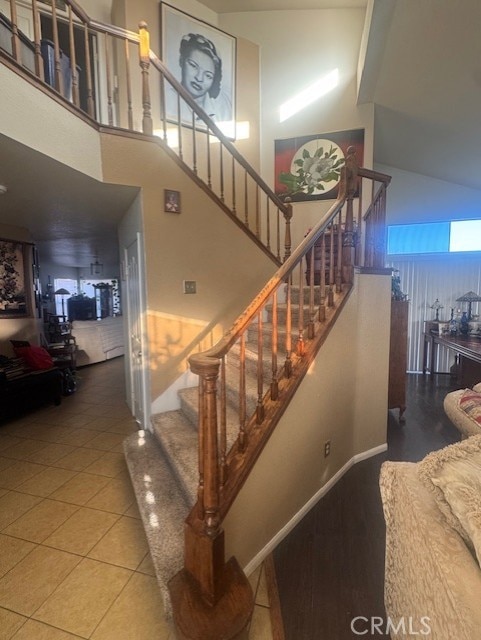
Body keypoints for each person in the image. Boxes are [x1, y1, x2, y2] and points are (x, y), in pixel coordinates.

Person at [165, 33, 232, 125]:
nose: (199, 78)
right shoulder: (167, 98)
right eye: (193, 65)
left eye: (208, 75)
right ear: (181, 61)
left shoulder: (221, 109)